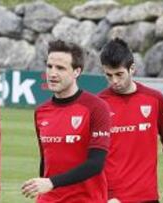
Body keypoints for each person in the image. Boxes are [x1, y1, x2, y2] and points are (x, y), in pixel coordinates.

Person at [21, 40, 111, 203]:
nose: (52, 73)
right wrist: (43, 187)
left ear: (77, 71)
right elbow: (46, 162)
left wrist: (51, 183)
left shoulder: (97, 107)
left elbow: (96, 163)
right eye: (49, 66)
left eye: (60, 68)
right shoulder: (41, 112)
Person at [98, 38, 163, 203]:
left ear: (132, 68)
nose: (114, 81)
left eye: (119, 74)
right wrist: (107, 195)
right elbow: (90, 156)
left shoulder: (154, 99)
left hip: (147, 197)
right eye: (109, 75)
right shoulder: (98, 105)